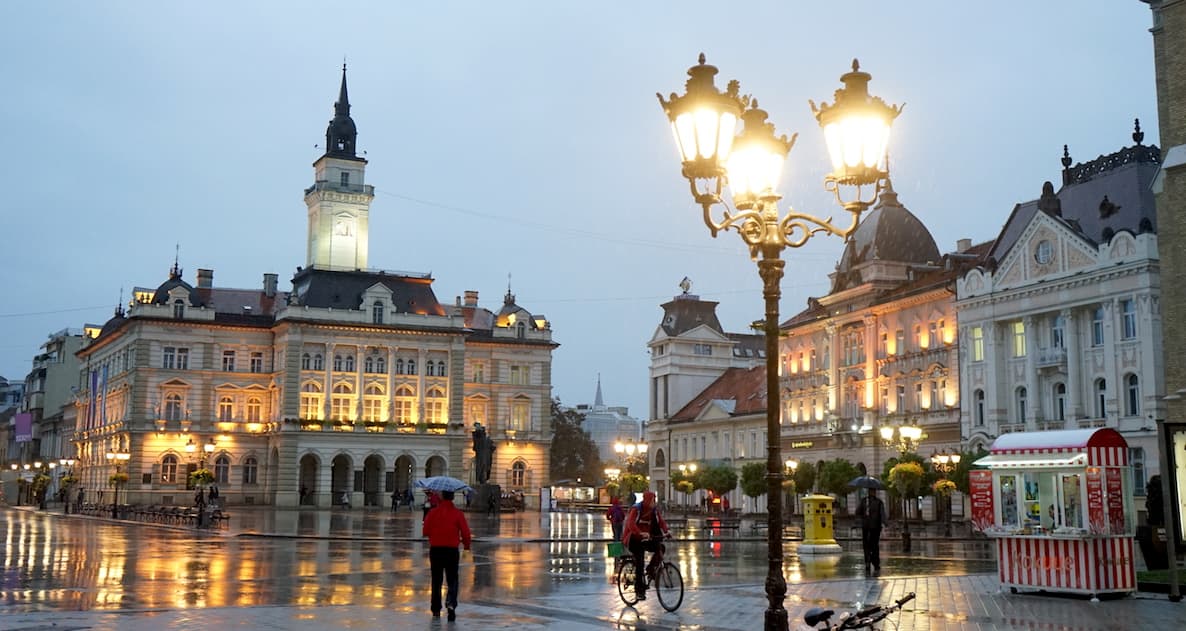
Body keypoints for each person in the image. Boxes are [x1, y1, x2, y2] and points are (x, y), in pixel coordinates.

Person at [422, 489, 472, 621]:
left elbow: (425, 531)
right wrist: (466, 547)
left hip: (436, 550)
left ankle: (436, 609)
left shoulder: (433, 512)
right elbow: (466, 533)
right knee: (452, 580)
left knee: (436, 580)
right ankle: (451, 604)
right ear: (453, 498)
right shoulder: (458, 513)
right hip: (451, 551)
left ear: (442, 496)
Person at [621, 490, 669, 601]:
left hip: (646, 538)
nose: (654, 502)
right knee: (640, 561)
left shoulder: (654, 511)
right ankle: (639, 591)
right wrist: (640, 533)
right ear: (647, 500)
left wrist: (666, 531)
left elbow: (661, 521)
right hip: (632, 539)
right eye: (653, 499)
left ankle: (651, 569)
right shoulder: (636, 509)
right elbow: (630, 523)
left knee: (660, 548)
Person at [856, 491, 887, 575]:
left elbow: (857, 512)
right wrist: (885, 523)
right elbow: (882, 514)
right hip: (875, 527)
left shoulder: (863, 501)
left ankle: (868, 562)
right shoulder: (879, 502)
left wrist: (863, 515)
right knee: (874, 545)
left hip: (866, 526)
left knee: (866, 545)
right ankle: (875, 563)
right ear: (875, 493)